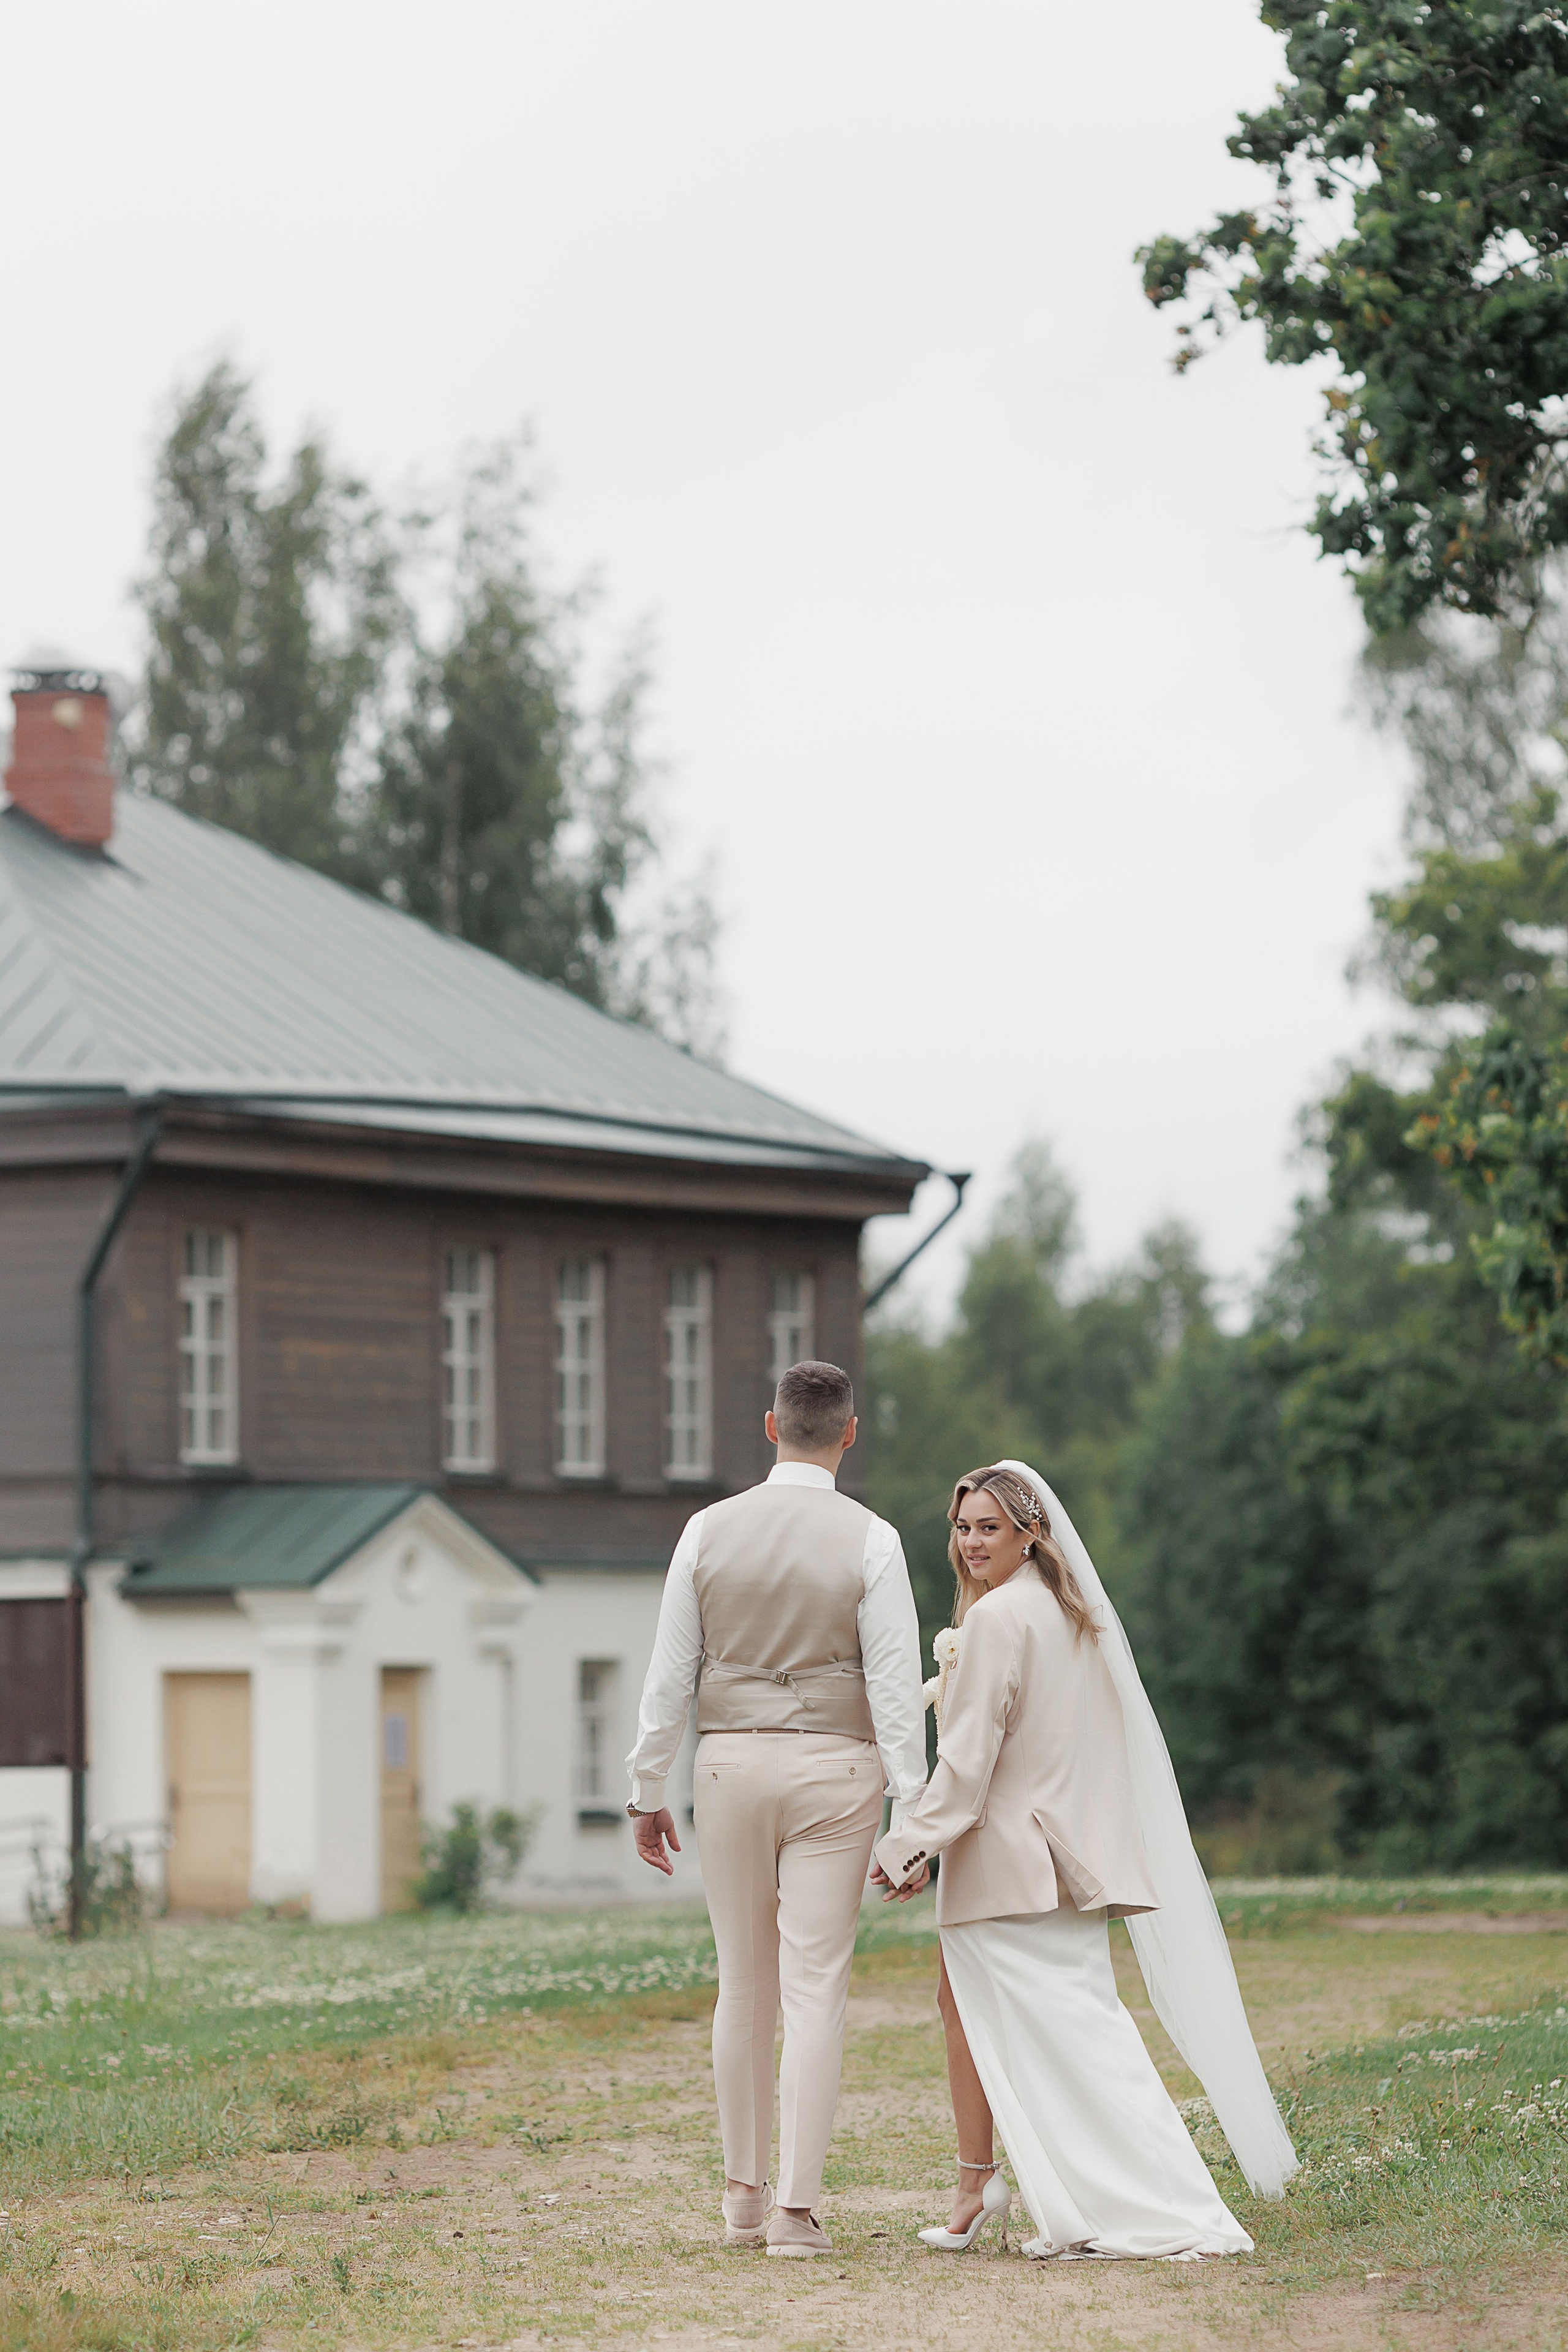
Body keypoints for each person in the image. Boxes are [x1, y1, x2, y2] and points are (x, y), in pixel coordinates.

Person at [872, 1460, 1297, 2261]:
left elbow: (968, 1762)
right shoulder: (1074, 1615)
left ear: (1031, 1532)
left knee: (1083, 2045)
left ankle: (1169, 2208)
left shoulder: (999, 1619)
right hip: (1066, 1865)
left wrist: (906, 1846)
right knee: (993, 2013)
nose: (971, 1543)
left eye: (990, 1527)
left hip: (1009, 1866)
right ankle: (980, 2186)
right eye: (962, 1528)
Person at [627, 1359, 927, 2258]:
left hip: (729, 1768)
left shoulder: (705, 1531)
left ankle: (743, 2199)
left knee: (743, 1984)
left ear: (771, 1426)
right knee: (816, 1986)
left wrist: (647, 1789)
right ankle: (796, 2212)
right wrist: (914, 1818)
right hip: (838, 1771)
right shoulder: (873, 1540)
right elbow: (896, 1689)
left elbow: (669, 1676)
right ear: (850, 1433)